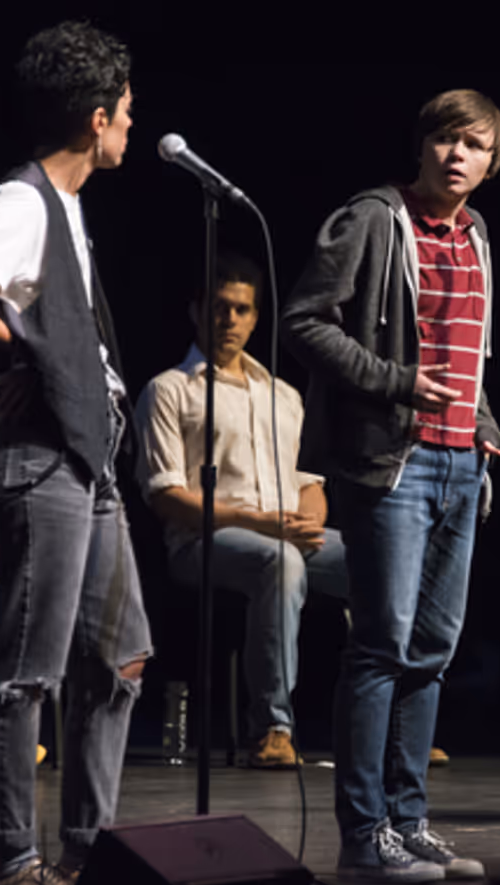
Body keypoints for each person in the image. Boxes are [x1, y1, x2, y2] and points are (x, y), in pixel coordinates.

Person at [0, 21, 151, 885]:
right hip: (41, 462)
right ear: (96, 119)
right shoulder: (23, 202)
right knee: (28, 668)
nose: (132, 124)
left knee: (119, 660)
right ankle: (14, 860)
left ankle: (90, 853)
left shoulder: (68, 207)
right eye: (127, 111)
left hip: (87, 459)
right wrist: (24, 348)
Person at [281, 89, 500, 883]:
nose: (457, 155)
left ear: (492, 163)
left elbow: (468, 350)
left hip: (461, 464)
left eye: (474, 145)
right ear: (422, 145)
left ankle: (409, 822)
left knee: (433, 651)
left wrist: (483, 425)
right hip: (393, 463)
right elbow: (305, 320)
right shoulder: (376, 218)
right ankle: (364, 831)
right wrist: (395, 381)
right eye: (446, 139)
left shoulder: (477, 234)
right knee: (380, 646)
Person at [135, 254, 348, 769]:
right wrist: (261, 523)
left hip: (286, 532)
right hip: (204, 542)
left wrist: (309, 520)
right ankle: (273, 728)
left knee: (383, 558)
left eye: (241, 309)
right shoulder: (169, 389)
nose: (229, 319)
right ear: (197, 311)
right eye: (219, 307)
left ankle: (393, 725)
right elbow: (165, 496)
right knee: (281, 561)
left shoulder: (283, 395)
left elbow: (310, 482)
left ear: (255, 318)